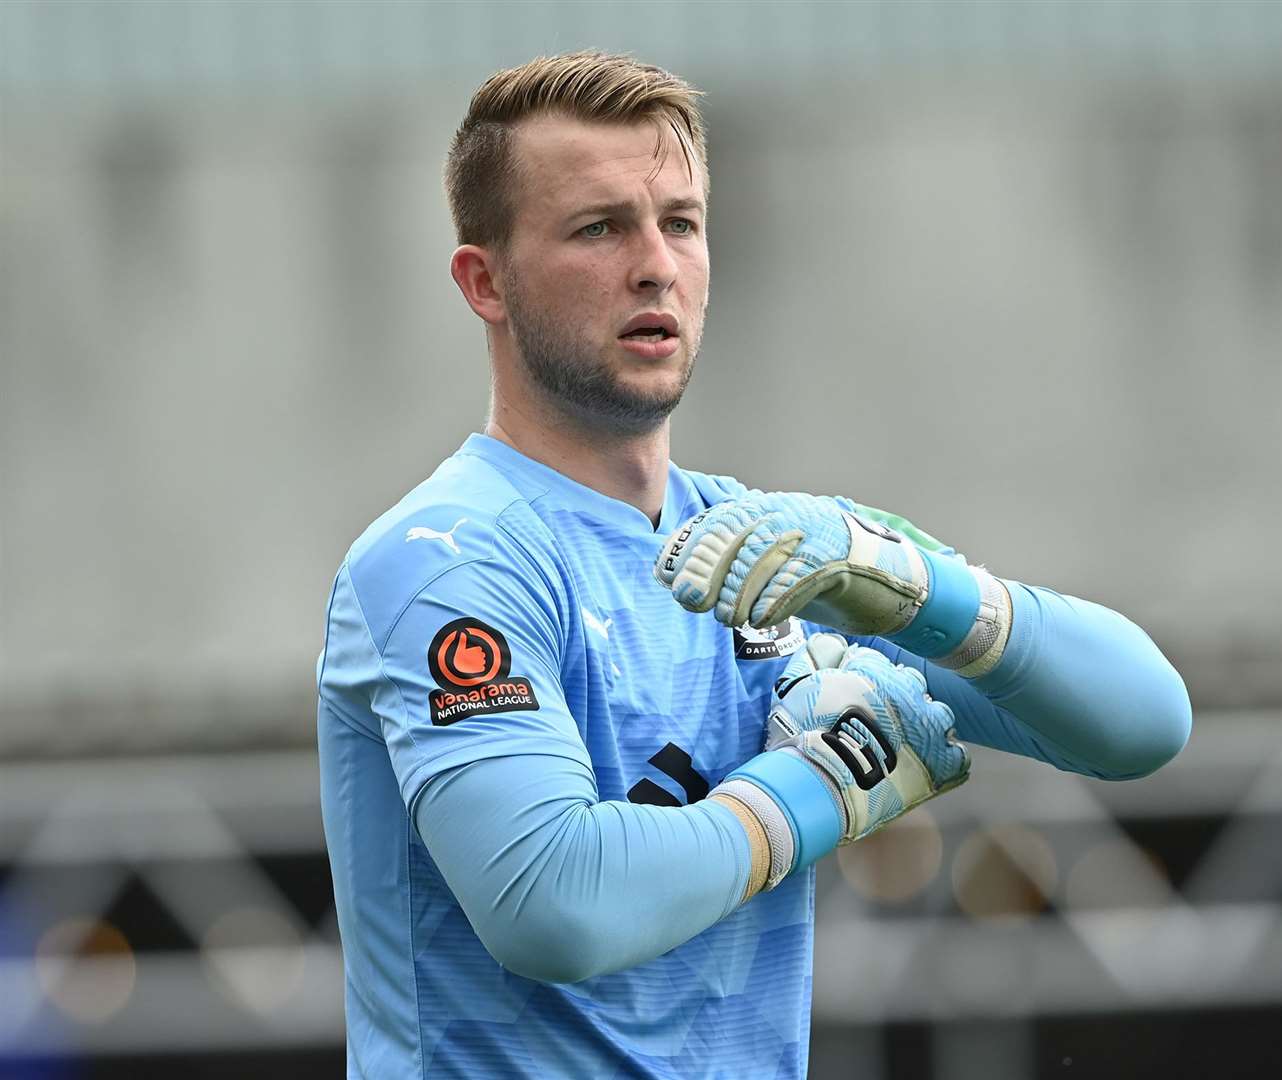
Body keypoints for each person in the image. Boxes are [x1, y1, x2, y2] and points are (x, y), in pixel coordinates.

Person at [316, 51, 1191, 1079]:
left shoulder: (773, 545)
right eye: (599, 228)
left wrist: (921, 587)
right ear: (485, 282)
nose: (655, 265)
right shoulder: (449, 558)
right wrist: (830, 776)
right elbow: (555, 907)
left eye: (680, 223)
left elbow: (1142, 723)